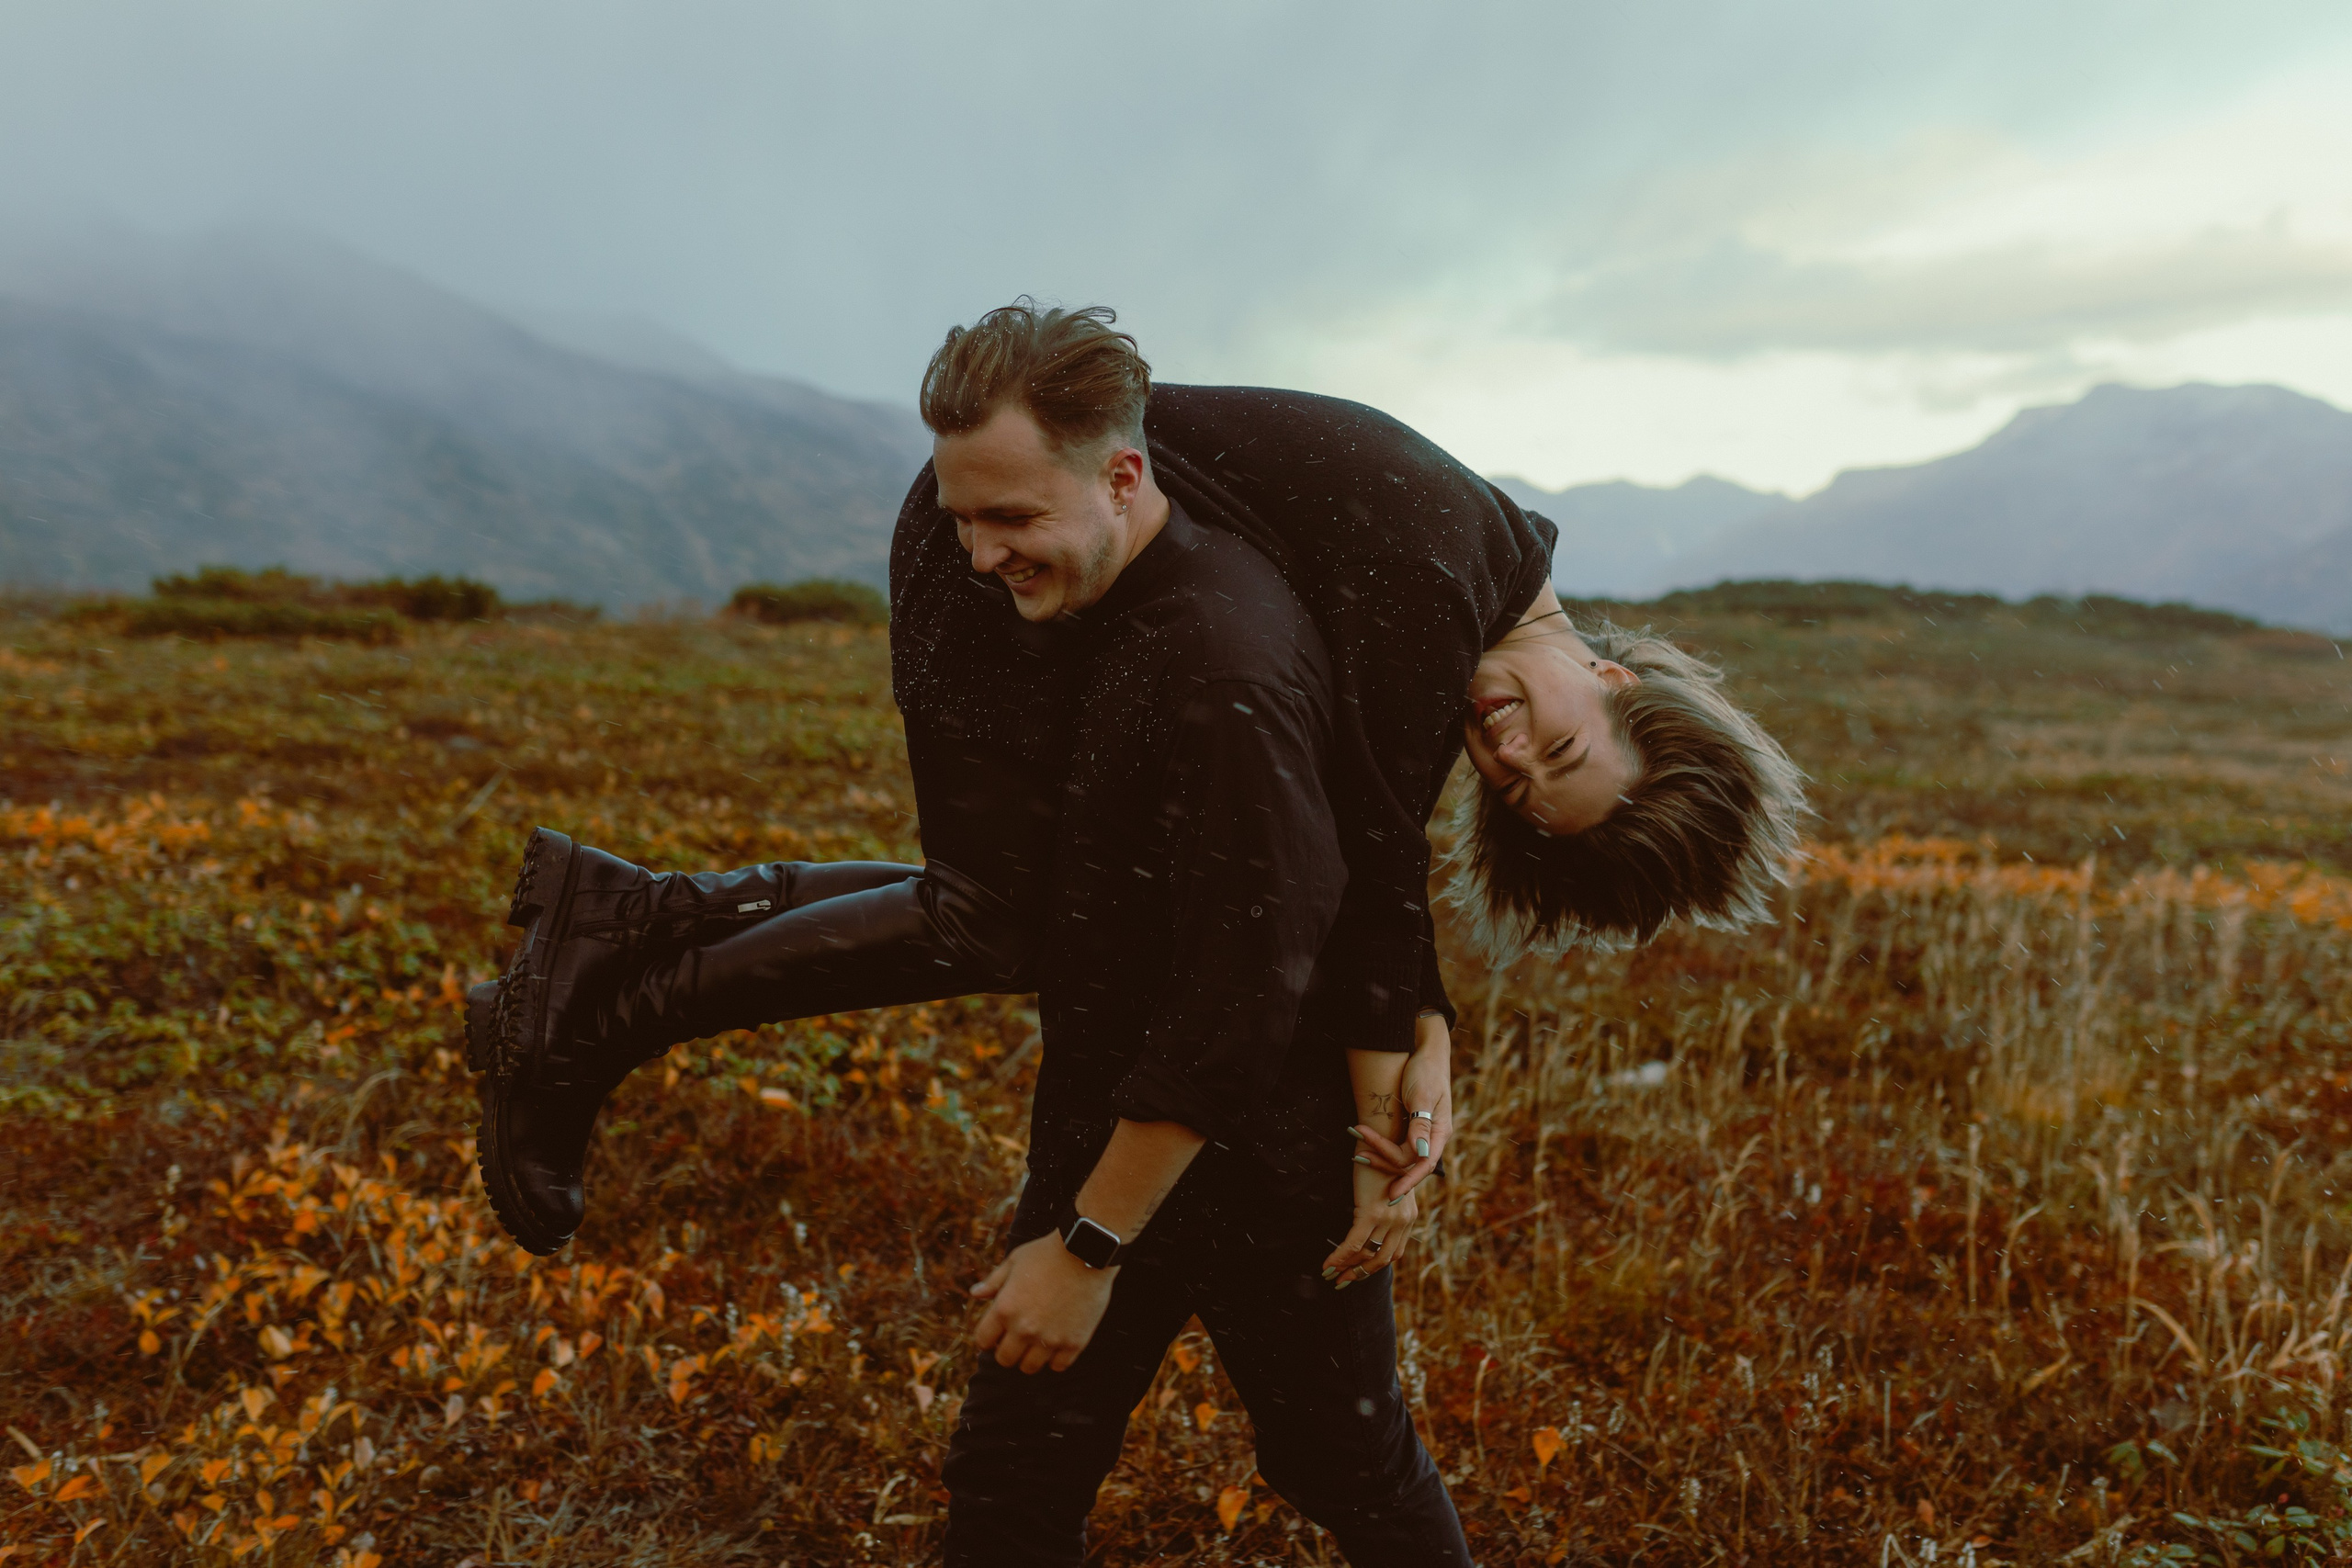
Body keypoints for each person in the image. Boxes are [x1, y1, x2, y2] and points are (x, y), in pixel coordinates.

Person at [465, 305, 1807, 1277]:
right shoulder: (1439, 585)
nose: (1508, 760)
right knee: (990, 918)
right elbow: (1374, 854)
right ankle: (598, 1014)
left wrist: (1423, 1027)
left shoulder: (1477, 584)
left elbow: (1361, 831)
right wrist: (1389, 1095)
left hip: (1054, 549)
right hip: (1004, 535)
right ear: (1625, 684)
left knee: (1031, 907)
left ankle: (628, 917)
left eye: (1519, 795)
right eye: (1561, 754)